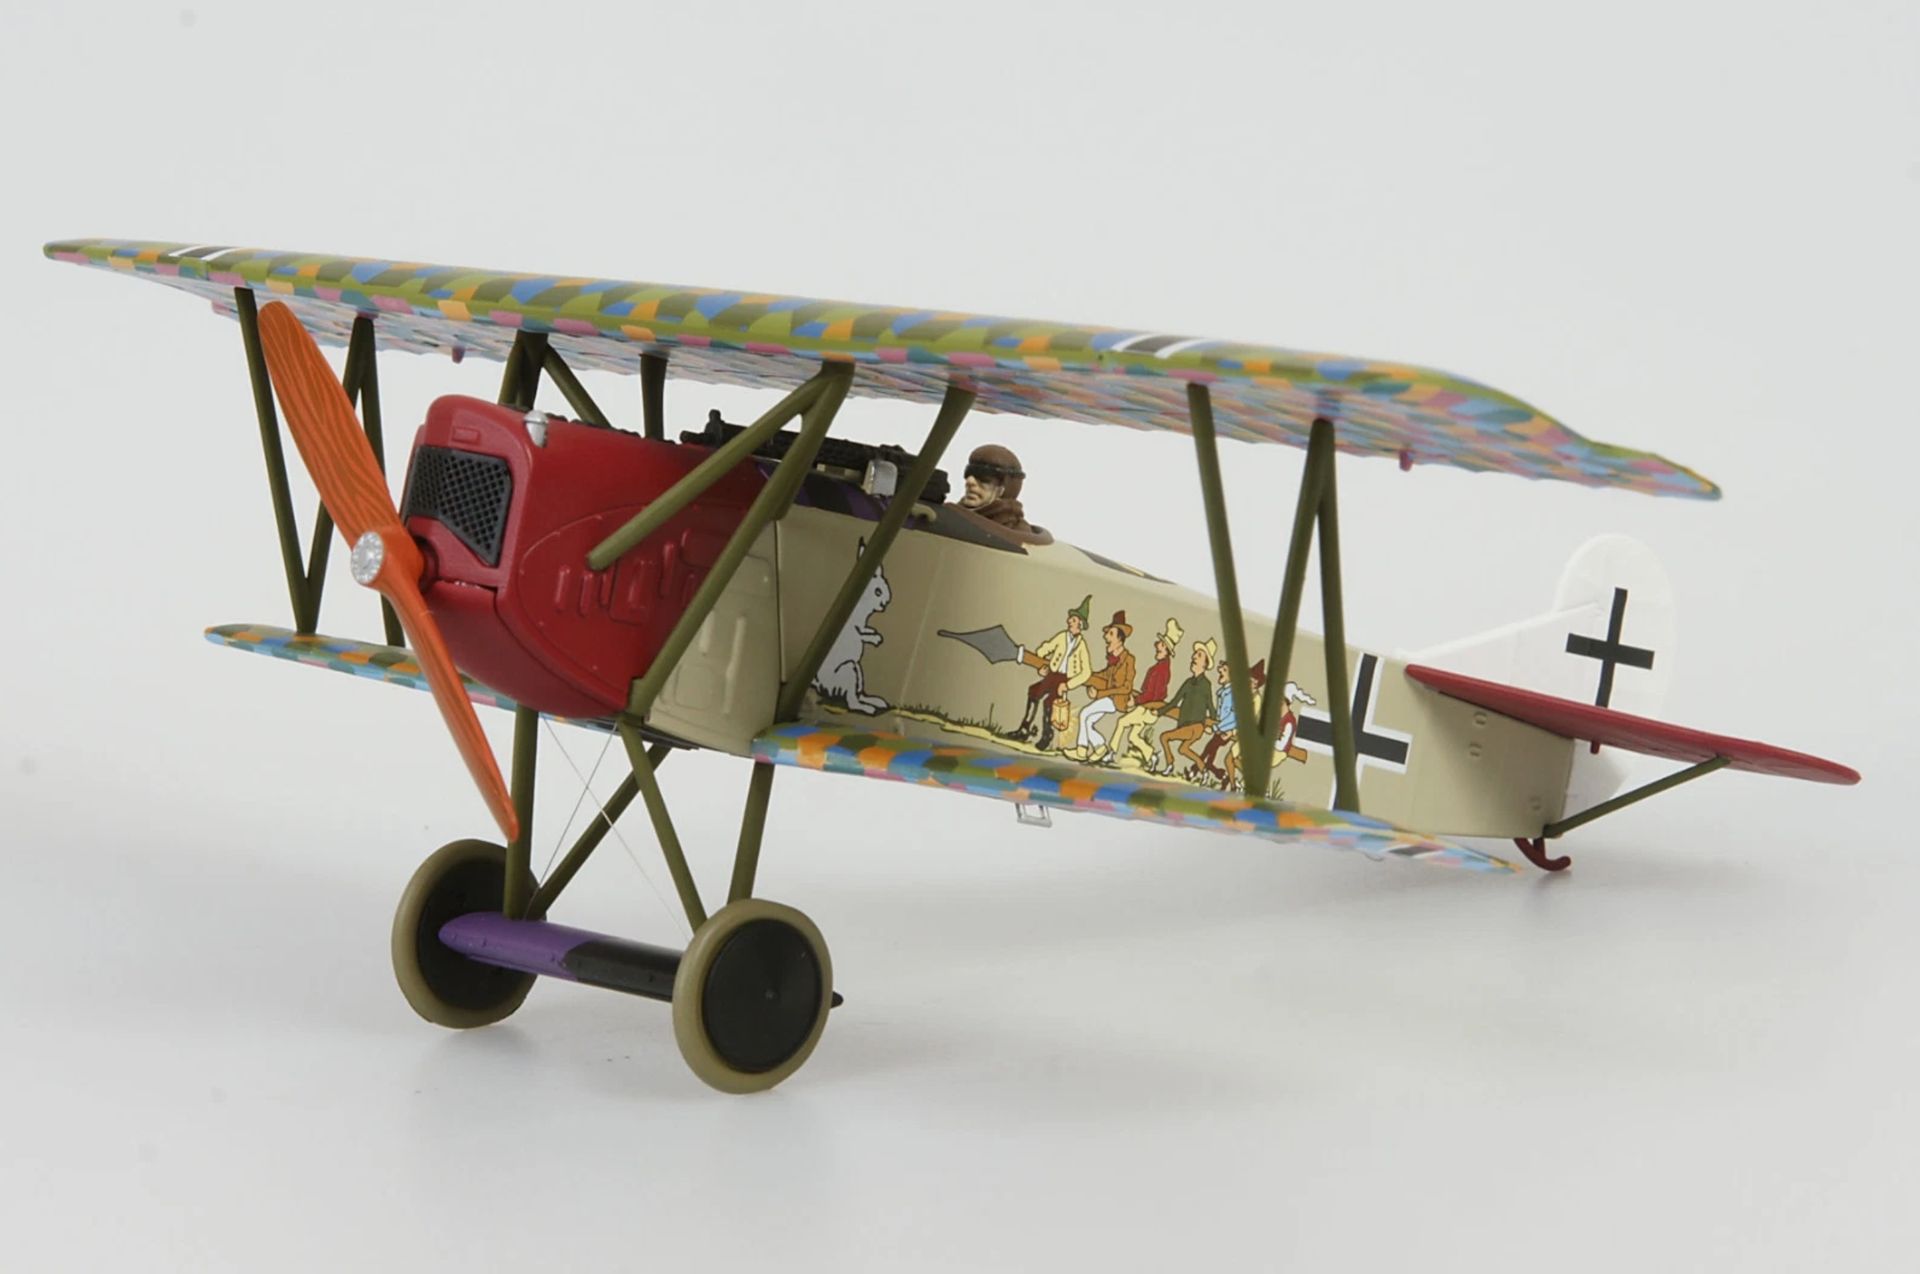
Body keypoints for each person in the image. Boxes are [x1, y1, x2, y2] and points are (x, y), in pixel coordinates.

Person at [1011, 594, 1093, 750]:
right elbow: (1048, 647)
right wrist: (1039, 661)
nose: (1069, 621)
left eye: (1073, 620)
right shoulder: (1062, 636)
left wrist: (1068, 685)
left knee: (1050, 703)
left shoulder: (1081, 646)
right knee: (1034, 691)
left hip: (1064, 680)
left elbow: (1086, 672)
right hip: (1052, 674)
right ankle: (1024, 729)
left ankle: (1047, 736)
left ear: (1080, 624)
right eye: (1070, 619)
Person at [1066, 611, 1136, 764]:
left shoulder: (1128, 660)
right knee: (1088, 720)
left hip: (1117, 700)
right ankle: (1100, 747)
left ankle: (1082, 750)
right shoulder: (1114, 659)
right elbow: (1105, 674)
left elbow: (1126, 688)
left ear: (1120, 639)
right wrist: (1089, 677)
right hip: (1109, 697)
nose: (1106, 637)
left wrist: (1100, 694)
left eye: (1111, 634)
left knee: (1084, 714)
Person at [1112, 618, 1181, 767]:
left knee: (1122, 722)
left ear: (1166, 650)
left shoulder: (1161, 670)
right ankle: (1151, 756)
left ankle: (1110, 753)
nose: (1157, 645)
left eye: (1161, 644)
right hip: (1147, 708)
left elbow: (1152, 695)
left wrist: (1136, 701)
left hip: (1148, 709)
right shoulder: (1159, 668)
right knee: (1133, 736)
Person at [1154, 639, 1217, 777]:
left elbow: (1210, 706)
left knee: (1164, 737)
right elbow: (1174, 702)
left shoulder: (1206, 684)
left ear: (1205, 664)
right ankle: (1203, 770)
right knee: (1183, 749)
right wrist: (1159, 712)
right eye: (1195, 654)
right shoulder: (1188, 682)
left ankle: (1170, 764)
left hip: (1195, 727)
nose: (1194, 657)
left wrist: (1214, 725)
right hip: (1185, 725)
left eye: (1199, 655)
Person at [959, 445, 1032, 532]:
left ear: (1003, 488)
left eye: (984, 479)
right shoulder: (953, 515)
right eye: (968, 475)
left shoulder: (1015, 532)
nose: (970, 481)